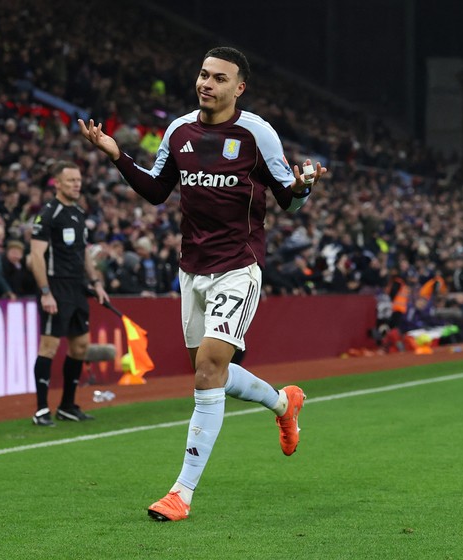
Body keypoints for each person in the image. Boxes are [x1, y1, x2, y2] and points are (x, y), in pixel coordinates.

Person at [79, 46, 327, 522]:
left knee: (208, 370)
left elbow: (286, 201)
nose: (206, 83)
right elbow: (155, 191)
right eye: (202, 74)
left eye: (218, 78)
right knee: (209, 371)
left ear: (239, 87)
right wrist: (116, 155)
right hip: (191, 269)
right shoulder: (178, 130)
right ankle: (283, 402)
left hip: (239, 263)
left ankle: (181, 493)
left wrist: (302, 187)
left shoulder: (257, 133)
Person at [29, 161, 109, 427]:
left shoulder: (78, 212)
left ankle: (67, 406)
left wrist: (96, 282)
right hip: (56, 287)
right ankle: (41, 409)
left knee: (80, 346)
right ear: (58, 184)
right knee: (49, 347)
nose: (77, 184)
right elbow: (36, 256)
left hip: (77, 288)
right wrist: (45, 293)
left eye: (78, 180)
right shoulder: (49, 214)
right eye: (71, 180)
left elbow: (83, 252)